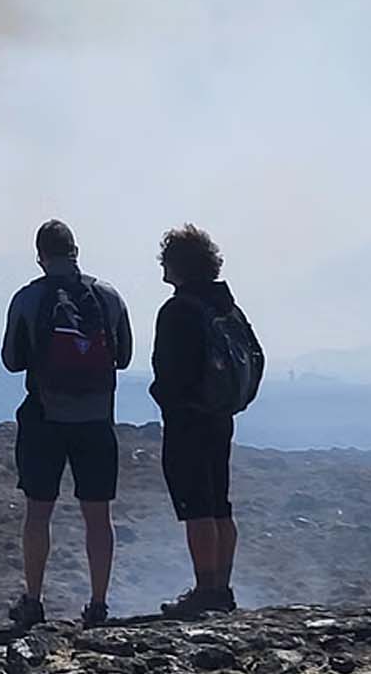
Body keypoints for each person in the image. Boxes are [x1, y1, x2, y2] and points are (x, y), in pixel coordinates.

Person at [1, 220, 133, 630]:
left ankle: (33, 600)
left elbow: (11, 360)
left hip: (45, 418)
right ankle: (98, 604)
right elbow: (124, 357)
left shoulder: (29, 298)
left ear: (40, 256)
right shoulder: (108, 296)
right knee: (98, 515)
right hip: (96, 419)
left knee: (38, 512)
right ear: (75, 251)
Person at [149, 224, 262, 618]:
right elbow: (256, 357)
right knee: (219, 503)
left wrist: (166, 398)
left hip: (188, 420)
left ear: (178, 265)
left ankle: (205, 589)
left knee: (196, 505)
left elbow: (170, 372)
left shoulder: (178, 310)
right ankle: (222, 588)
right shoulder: (227, 308)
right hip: (221, 416)